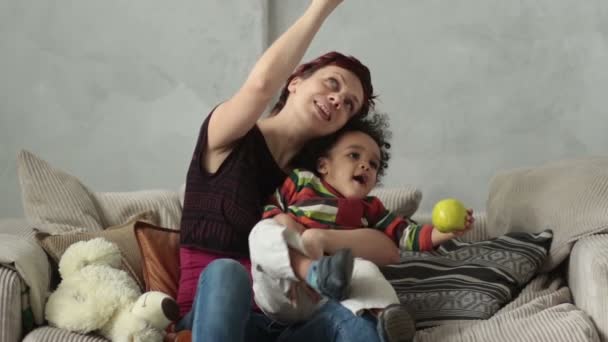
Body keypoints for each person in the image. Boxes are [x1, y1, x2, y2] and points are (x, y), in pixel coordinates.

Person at [174, 1, 404, 341]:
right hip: (210, 316)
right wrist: (320, 8)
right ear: (294, 81)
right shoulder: (226, 138)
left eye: (350, 105)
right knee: (227, 273)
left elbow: (383, 243)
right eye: (332, 84)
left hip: (286, 320)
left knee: (354, 316)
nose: (339, 100)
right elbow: (260, 86)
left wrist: (321, 238)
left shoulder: (313, 182)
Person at [249, 117, 475, 342]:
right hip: (284, 287)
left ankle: (385, 318)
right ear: (323, 165)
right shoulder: (302, 181)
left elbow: (404, 234)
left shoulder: (370, 208)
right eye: (353, 155)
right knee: (262, 231)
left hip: (327, 297)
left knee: (365, 269)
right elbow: (271, 204)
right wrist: (282, 220)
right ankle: (311, 272)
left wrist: (442, 233)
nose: (365, 165)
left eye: (373, 164)